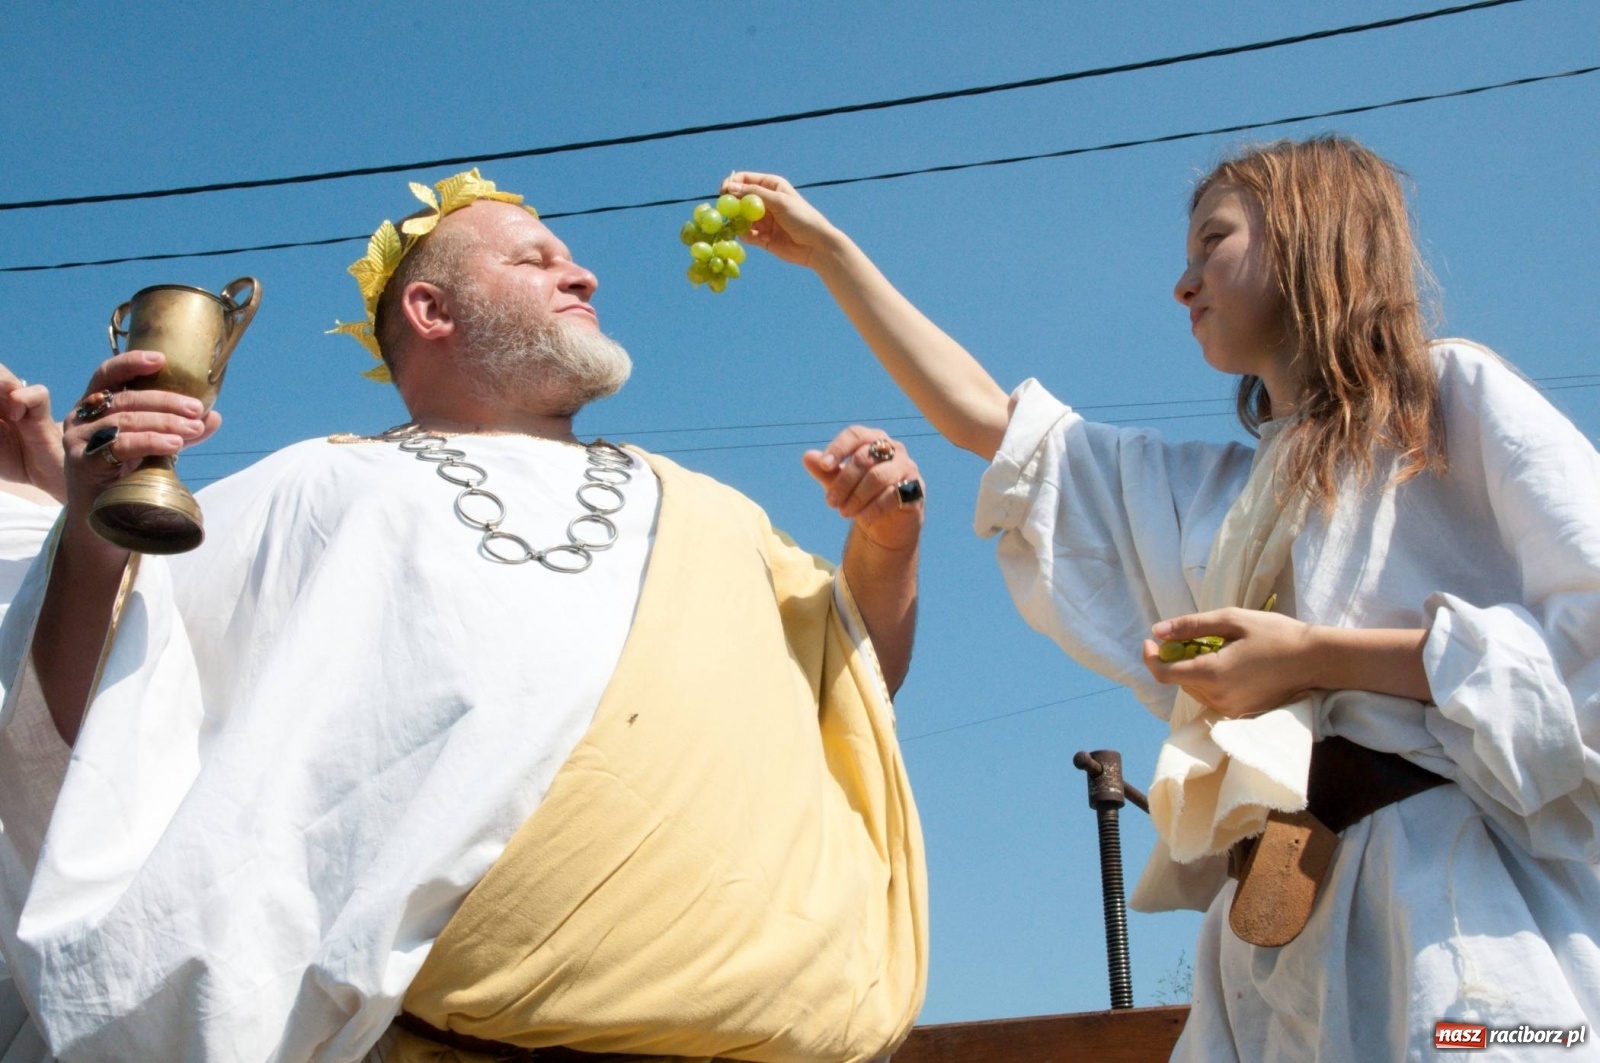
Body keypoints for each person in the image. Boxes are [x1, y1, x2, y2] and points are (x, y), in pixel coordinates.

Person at [0, 170, 929, 1062]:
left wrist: (888, 549)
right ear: (431, 311)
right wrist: (95, 528)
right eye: (532, 259)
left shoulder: (714, 512)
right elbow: (108, 729)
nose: (584, 273)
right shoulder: (320, 489)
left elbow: (853, 692)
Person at [729, 137, 1600, 1060]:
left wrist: (1312, 656)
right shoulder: (1216, 495)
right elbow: (997, 425)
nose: (1184, 285)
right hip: (1278, 923)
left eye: (1212, 244)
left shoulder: (1446, 399)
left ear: (1312, 236)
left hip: (1454, 907)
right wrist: (829, 251)